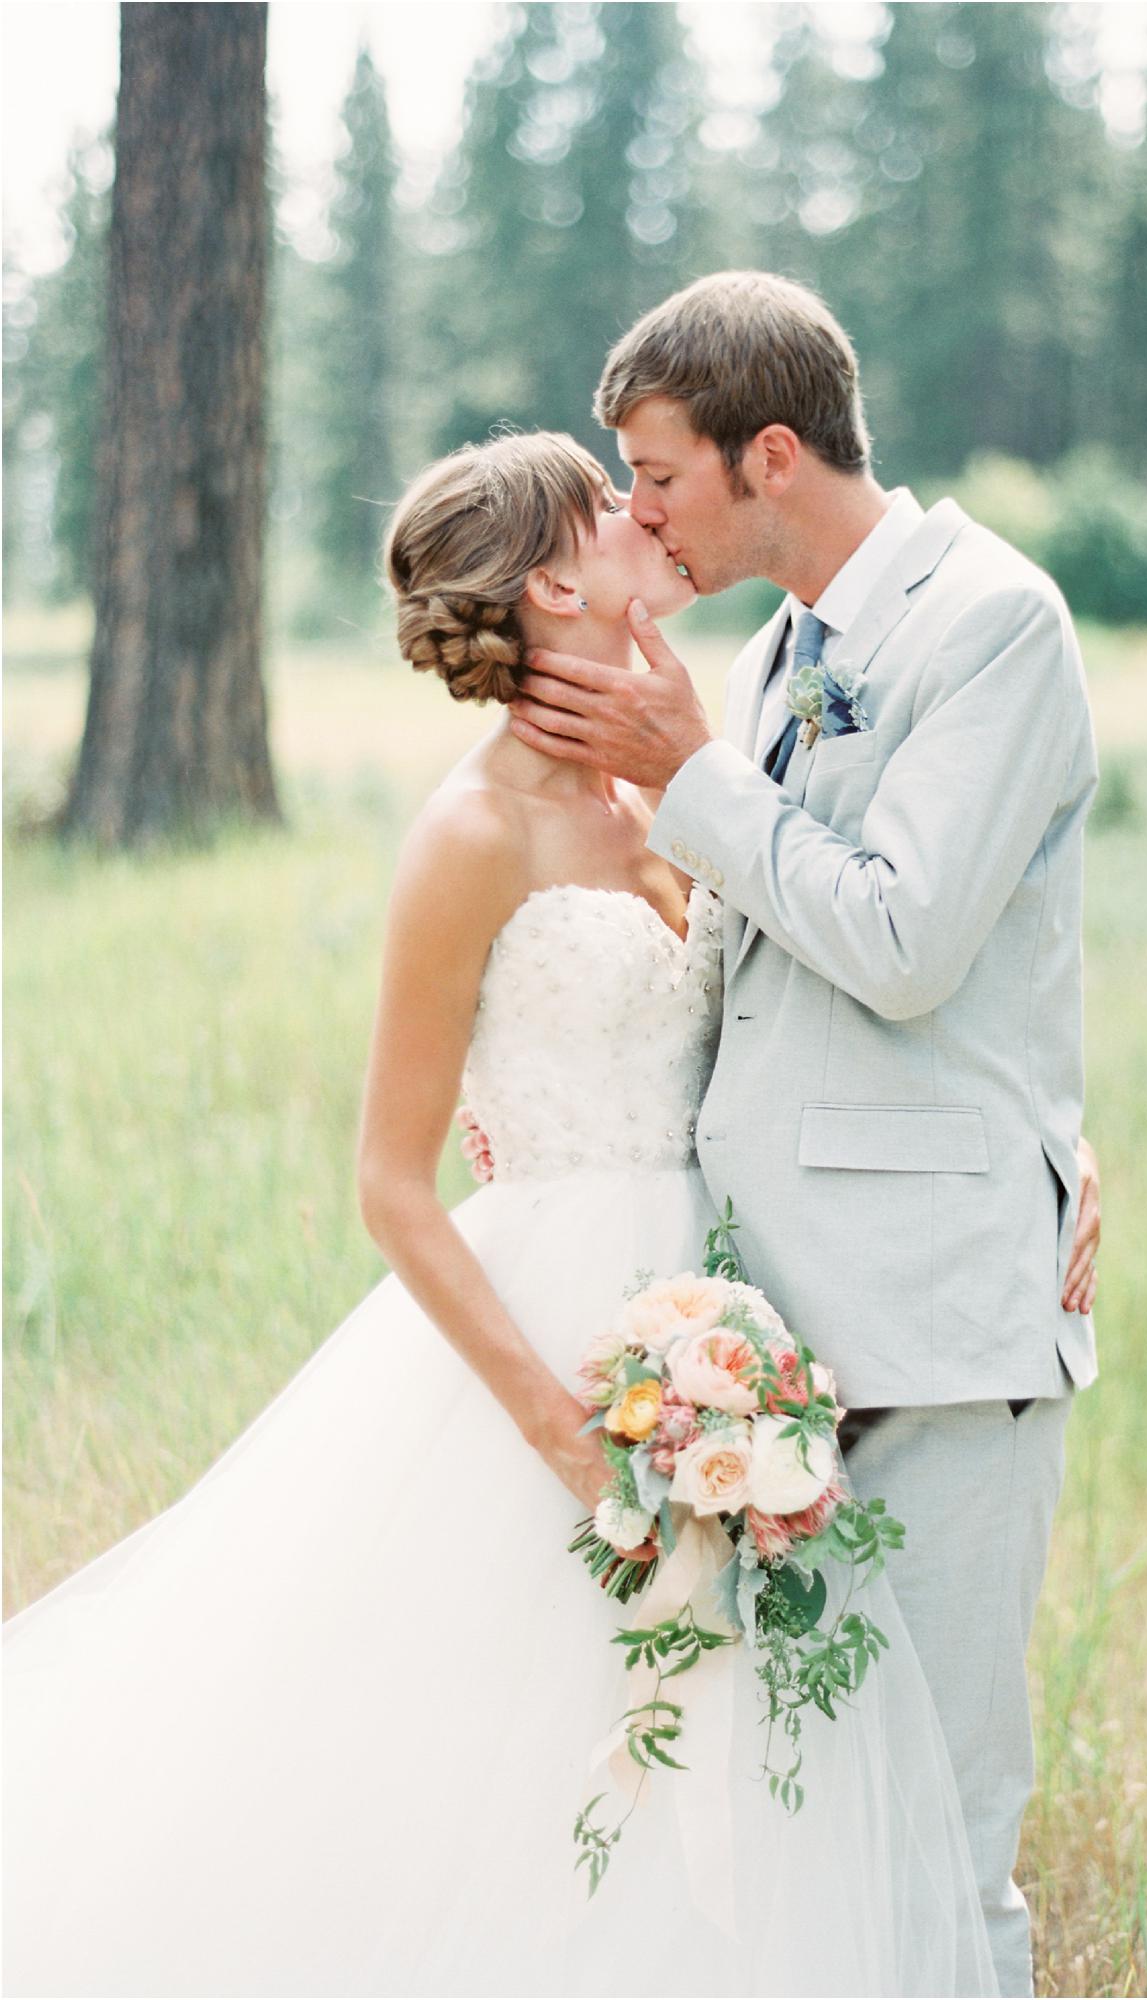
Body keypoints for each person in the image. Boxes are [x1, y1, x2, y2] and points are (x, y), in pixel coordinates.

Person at [2, 432, 1004, 1997]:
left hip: (722, 1309)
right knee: (519, 1748)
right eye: (610, 505)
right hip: (555, 1340)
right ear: (551, 581)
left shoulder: (666, 774)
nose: (645, 511)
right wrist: (557, 1427)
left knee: (734, 1730)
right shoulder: (470, 835)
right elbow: (391, 1182)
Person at [507, 271, 1102, 2000]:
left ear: (771, 454)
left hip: (933, 1312)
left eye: (657, 475)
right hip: (767, 1332)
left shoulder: (995, 621)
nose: (634, 516)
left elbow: (915, 945)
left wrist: (695, 774)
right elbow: (775, 943)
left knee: (942, 1825)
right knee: (801, 1820)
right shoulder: (781, 647)